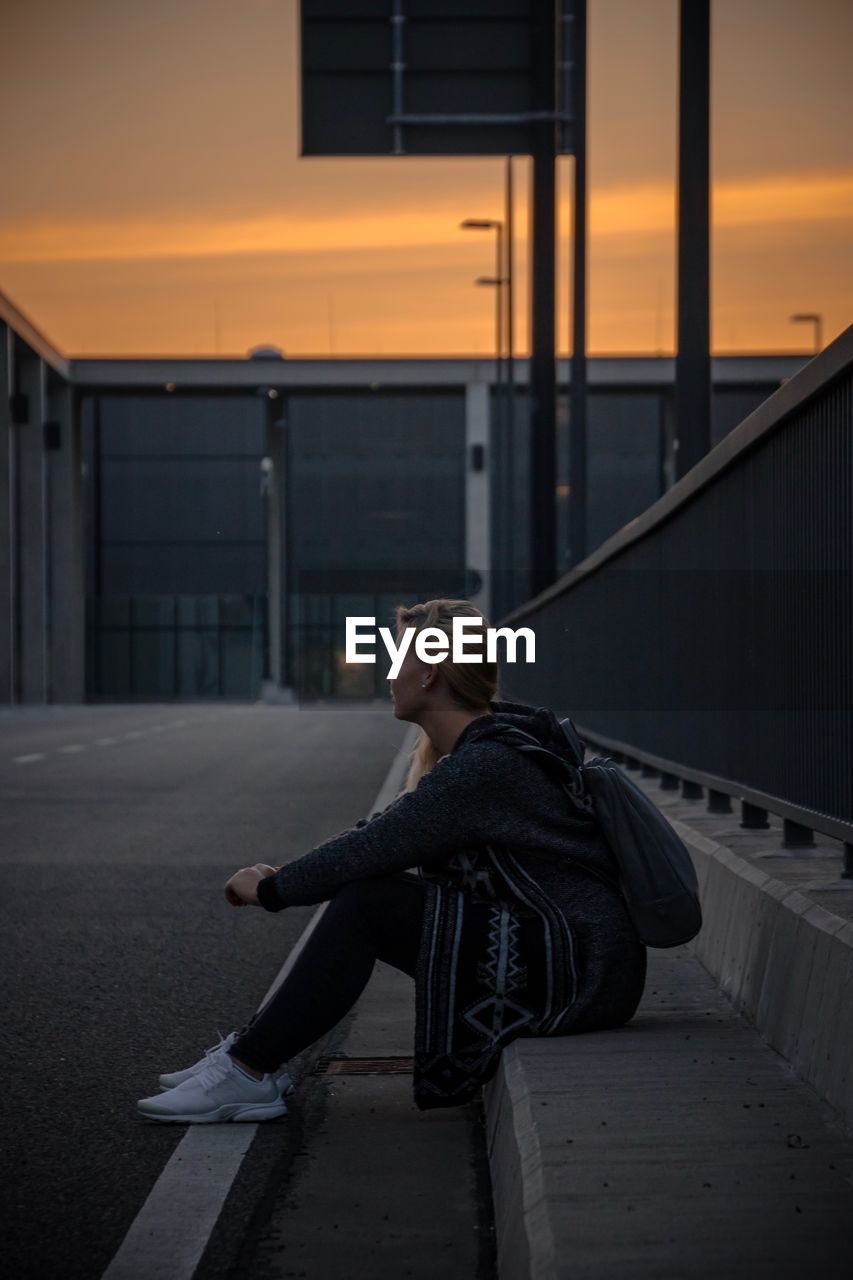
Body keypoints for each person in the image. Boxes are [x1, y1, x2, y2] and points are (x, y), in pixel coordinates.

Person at [137, 598, 647, 1123]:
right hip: (566, 952)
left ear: (428, 674)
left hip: (581, 971)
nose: (388, 674)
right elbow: (383, 833)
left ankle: (247, 1070)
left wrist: (271, 890)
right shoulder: (487, 751)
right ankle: (249, 1053)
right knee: (373, 890)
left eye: (397, 660)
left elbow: (371, 846)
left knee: (370, 903)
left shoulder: (486, 766)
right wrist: (283, 875)